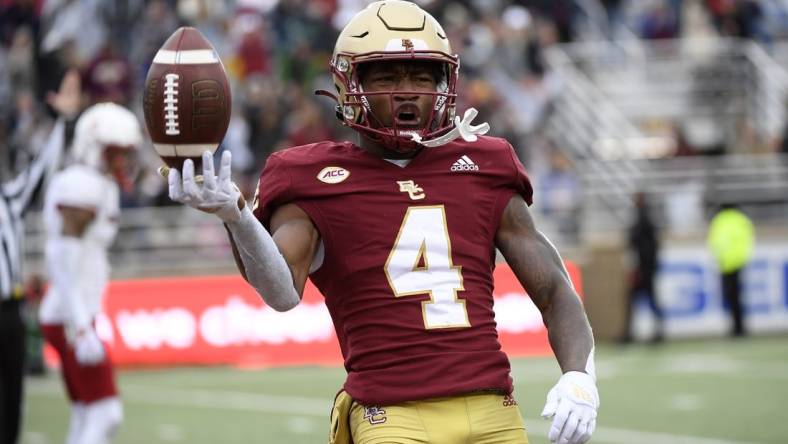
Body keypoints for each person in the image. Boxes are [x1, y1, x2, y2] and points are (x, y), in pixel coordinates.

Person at [167, 2, 599, 443]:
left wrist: (580, 378)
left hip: (494, 409)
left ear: (444, 83)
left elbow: (554, 288)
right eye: (387, 76)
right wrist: (237, 218)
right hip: (392, 415)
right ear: (348, 84)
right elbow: (281, 293)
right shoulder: (310, 176)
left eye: (421, 76)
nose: (407, 90)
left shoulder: (484, 163)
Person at [39, 102, 142, 444]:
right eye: (116, 153)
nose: (123, 161)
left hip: (68, 313)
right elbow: (61, 255)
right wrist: (81, 326)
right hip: (72, 316)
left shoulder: (92, 183)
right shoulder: (83, 184)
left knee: (85, 411)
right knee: (106, 413)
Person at [0, 70, 80, 444]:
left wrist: (64, 121)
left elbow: (41, 169)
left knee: (12, 397)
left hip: (9, 311)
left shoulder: (9, 198)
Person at [620, 192, 664, 343]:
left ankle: (630, 333)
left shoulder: (641, 220)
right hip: (647, 267)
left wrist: (638, 266)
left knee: (635, 300)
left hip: (643, 268)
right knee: (649, 299)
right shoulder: (648, 219)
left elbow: (637, 244)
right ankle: (656, 331)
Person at [707, 202, 755, 337]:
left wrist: (719, 259)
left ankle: (736, 327)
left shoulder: (719, 220)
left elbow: (715, 242)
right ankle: (739, 327)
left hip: (725, 264)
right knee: (737, 298)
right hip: (738, 263)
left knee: (730, 298)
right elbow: (747, 241)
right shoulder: (741, 219)